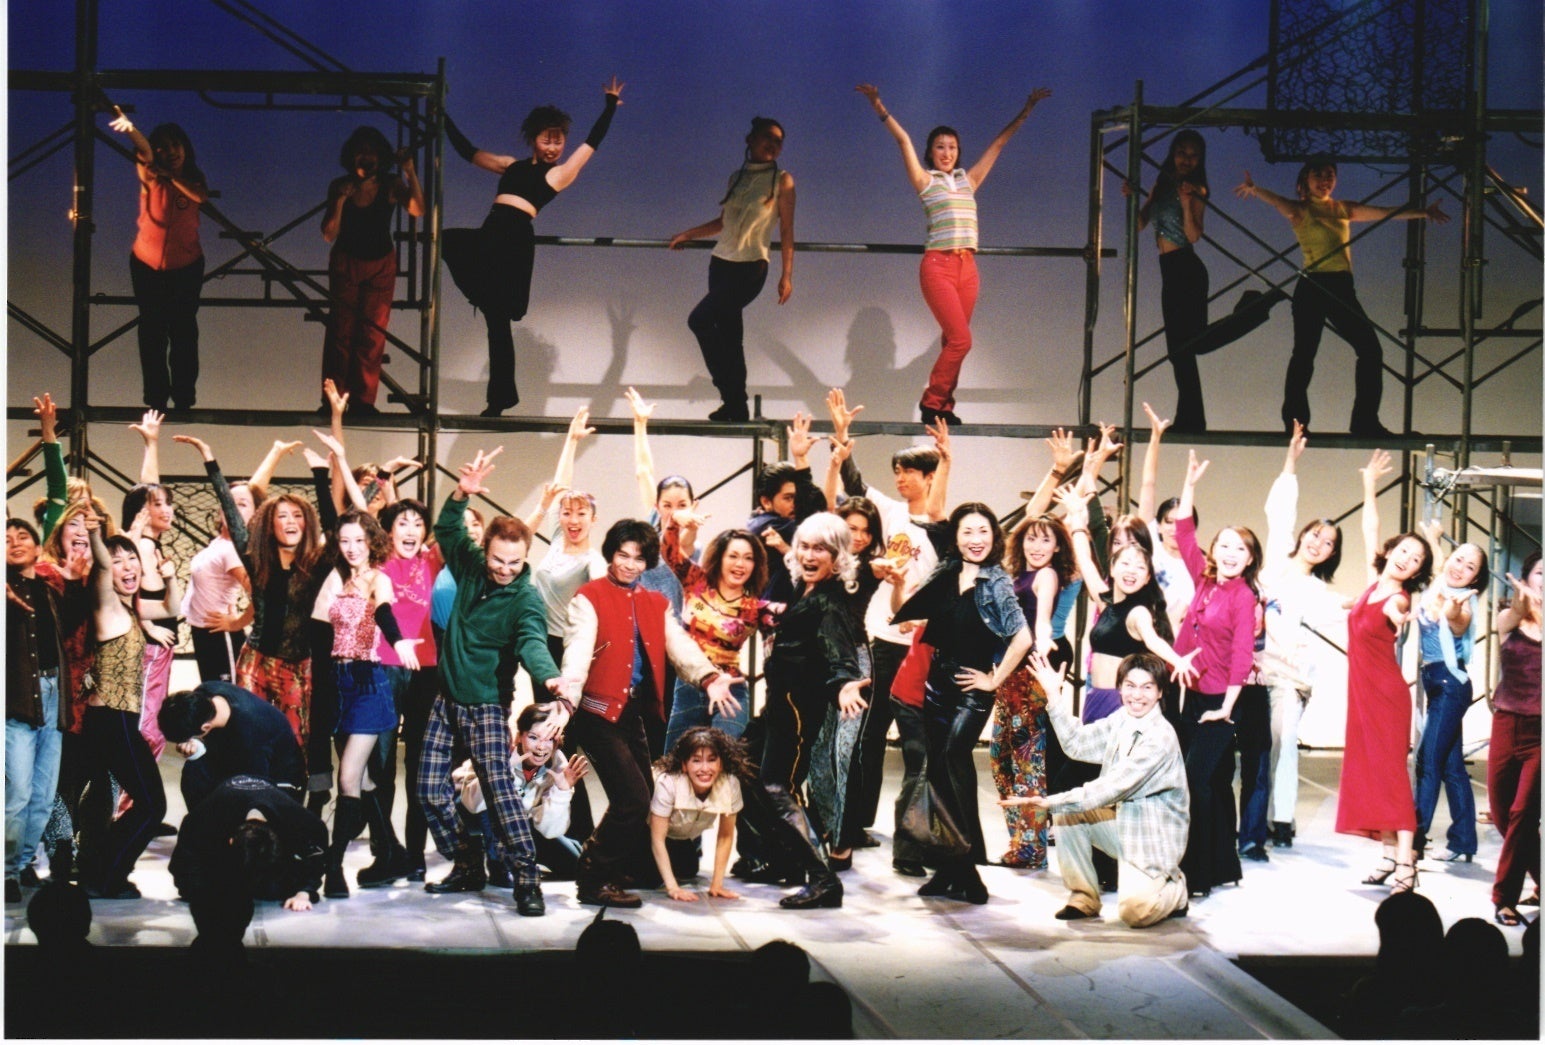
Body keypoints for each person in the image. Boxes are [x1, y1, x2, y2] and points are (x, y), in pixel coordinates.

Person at [549, 518, 736, 909]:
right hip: (596, 712)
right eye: (623, 555)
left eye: (638, 558)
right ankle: (592, 877)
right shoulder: (589, 597)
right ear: (611, 554)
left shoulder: (655, 603)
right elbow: (578, 651)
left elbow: (679, 645)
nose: (629, 565)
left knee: (644, 795)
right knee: (632, 798)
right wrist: (567, 698)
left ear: (647, 562)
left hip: (632, 713)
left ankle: (614, 869)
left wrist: (708, 677)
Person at [417, 447, 567, 917]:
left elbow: (532, 642)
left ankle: (527, 878)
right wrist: (461, 494)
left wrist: (550, 677)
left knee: (501, 794)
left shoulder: (524, 600)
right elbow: (446, 529)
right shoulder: (468, 564)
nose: (505, 569)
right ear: (486, 552)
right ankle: (467, 863)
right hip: (446, 699)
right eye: (499, 560)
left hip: (485, 705)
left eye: (515, 562)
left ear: (525, 557)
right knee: (428, 789)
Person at [854, 83, 1051, 425]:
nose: (947, 153)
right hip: (938, 266)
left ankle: (944, 407)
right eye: (940, 147)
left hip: (968, 268)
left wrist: (1027, 109)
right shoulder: (925, 181)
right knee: (962, 340)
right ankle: (932, 402)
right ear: (930, 152)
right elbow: (903, 140)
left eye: (952, 147)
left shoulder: (967, 181)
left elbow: (998, 144)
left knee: (952, 341)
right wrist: (878, 105)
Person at [440, 78, 624, 416]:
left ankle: (499, 400)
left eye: (559, 141)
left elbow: (592, 142)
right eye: (546, 140)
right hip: (490, 233)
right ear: (533, 139)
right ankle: (483, 302)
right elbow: (468, 151)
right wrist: (442, 115)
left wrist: (610, 106)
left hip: (512, 241)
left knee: (497, 324)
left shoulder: (559, 174)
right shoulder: (511, 165)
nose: (553, 148)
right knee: (447, 240)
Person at [1235, 159, 1449, 436]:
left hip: (1341, 286)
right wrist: (1255, 190)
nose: (1325, 180)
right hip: (1313, 286)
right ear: (1306, 178)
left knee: (1370, 350)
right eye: (1318, 174)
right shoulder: (1301, 210)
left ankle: (1364, 421)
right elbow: (1278, 202)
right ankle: (1295, 423)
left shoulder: (1342, 209)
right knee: (1304, 354)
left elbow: (1383, 212)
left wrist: (1423, 212)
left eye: (1330, 175)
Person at [828, 388, 947, 876]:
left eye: (909, 472)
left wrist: (947, 457)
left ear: (929, 477)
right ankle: (856, 823)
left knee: (919, 744)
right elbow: (853, 485)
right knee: (869, 733)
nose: (900, 478)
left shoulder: (940, 524)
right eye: (897, 471)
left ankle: (915, 839)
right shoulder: (890, 513)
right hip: (882, 637)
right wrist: (842, 437)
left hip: (920, 645)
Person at [894, 503, 1033, 904]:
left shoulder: (997, 582)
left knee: (954, 759)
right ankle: (949, 868)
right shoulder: (946, 572)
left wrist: (993, 680)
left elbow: (1022, 638)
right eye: (968, 532)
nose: (976, 539)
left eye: (983, 531)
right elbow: (912, 614)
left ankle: (969, 868)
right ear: (955, 537)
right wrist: (903, 595)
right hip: (936, 684)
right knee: (938, 773)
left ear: (994, 536)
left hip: (972, 689)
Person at [1006, 651, 1190, 927]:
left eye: (1147, 687)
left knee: (1135, 913)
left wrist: (1048, 801)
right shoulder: (1122, 718)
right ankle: (1084, 897)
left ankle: (1176, 889)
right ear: (1120, 688)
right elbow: (1077, 743)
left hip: (1151, 841)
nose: (1137, 695)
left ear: (1160, 692)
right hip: (1123, 825)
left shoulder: (1160, 738)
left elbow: (1110, 789)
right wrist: (1053, 695)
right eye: (1130, 686)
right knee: (1068, 814)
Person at [1123, 133, 1285, 433]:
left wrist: (1187, 204)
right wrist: (1132, 198)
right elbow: (1140, 224)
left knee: (1188, 347)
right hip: (1169, 270)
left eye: (1193, 155)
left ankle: (1255, 309)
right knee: (1181, 351)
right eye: (1181, 152)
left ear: (1200, 160)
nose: (1186, 159)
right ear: (1172, 153)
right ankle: (1192, 418)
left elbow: (1194, 235)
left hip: (1186, 269)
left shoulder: (1197, 189)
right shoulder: (1161, 184)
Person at [749, 512, 871, 908]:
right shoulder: (805, 590)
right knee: (745, 766)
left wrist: (845, 683)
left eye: (821, 549)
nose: (809, 555)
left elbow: (840, 653)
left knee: (776, 785)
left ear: (837, 558)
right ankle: (783, 859)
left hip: (798, 711)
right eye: (804, 546)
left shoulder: (830, 603)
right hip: (779, 706)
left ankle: (822, 879)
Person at [311, 510, 421, 897]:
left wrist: (399, 641)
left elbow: (385, 611)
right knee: (365, 779)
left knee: (348, 779)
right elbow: (319, 631)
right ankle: (392, 852)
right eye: (345, 541)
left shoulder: (378, 578)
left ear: (371, 542)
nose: (352, 548)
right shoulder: (335, 578)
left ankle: (333, 867)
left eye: (359, 540)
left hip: (368, 685)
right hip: (337, 686)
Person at [1170, 450, 1262, 900]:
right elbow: (1184, 533)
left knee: (1197, 783)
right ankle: (1224, 865)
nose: (1229, 553)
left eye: (1239, 548)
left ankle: (1198, 872)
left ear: (1250, 559)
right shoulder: (1204, 581)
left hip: (1219, 702)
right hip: (1187, 696)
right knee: (1215, 784)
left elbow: (1243, 654)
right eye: (1223, 545)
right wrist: (1189, 485)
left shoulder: (1244, 597)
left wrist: (1225, 709)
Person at [1340, 449, 1433, 893]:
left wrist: (1399, 617)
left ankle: (1407, 864)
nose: (1405, 559)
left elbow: (1397, 615)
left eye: (1415, 560)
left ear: (1416, 573)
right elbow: (1369, 527)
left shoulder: (1398, 598)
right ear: (1391, 551)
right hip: (1363, 695)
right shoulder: (1374, 583)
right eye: (1403, 551)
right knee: (1372, 777)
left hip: (1385, 697)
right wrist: (1368, 484)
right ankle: (1388, 856)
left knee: (1392, 779)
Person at [669, 116, 797, 422]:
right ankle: (735, 405)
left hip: (751, 266)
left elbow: (787, 229)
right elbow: (723, 222)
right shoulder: (736, 177)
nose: (772, 144)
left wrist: (787, 274)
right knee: (730, 338)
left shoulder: (782, 180)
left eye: (778, 141)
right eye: (767, 137)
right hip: (721, 263)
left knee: (699, 320)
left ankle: (728, 391)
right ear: (750, 140)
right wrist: (688, 234)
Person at [1256, 422, 1344, 849]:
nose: (1318, 543)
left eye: (1328, 543)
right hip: (1249, 669)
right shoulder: (1275, 558)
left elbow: (1346, 609)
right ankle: (1250, 819)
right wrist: (1290, 461)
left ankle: (1282, 818)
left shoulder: (1318, 591)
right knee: (1254, 747)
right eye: (1315, 535)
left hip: (1287, 677)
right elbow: (1280, 512)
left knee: (1284, 740)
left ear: (1331, 554)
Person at [79, 517, 170, 898]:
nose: (127, 566)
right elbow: (101, 565)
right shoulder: (105, 605)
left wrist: (166, 573)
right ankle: (106, 878)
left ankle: (96, 870)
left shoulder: (129, 611)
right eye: (118, 561)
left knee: (109, 802)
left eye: (132, 559)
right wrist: (95, 534)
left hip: (117, 721)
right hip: (110, 719)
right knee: (152, 805)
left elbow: (172, 605)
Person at [107, 107, 209, 412]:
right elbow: (143, 149)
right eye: (163, 147)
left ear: (185, 148)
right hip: (147, 264)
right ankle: (156, 397)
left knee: (183, 331)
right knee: (152, 331)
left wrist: (173, 177)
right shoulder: (150, 174)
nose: (171, 151)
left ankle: (184, 396)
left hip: (186, 266)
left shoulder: (193, 179)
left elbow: (200, 196)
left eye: (176, 144)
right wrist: (130, 129)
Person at [989, 513, 1075, 869]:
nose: (1037, 546)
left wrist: (1042, 640)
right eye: (1032, 538)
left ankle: (1030, 849)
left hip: (1029, 677)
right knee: (1000, 759)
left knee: (1028, 763)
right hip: (1007, 675)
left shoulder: (1046, 576)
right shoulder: (1013, 575)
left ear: (1056, 548)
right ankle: (1021, 841)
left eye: (1046, 540)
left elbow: (1042, 620)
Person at [320, 126, 425, 414]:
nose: (365, 157)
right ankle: (332, 400)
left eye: (371, 152)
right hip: (347, 262)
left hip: (380, 263)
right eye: (360, 151)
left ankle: (363, 401)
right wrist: (340, 201)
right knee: (340, 332)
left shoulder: (390, 184)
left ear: (380, 157)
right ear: (351, 156)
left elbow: (417, 209)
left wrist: (410, 172)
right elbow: (329, 233)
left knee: (372, 333)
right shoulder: (340, 185)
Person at [373, 498, 443, 884]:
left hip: (426, 671)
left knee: (419, 765)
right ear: (388, 530)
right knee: (381, 765)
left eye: (418, 523)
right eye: (402, 523)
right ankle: (385, 851)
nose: (411, 530)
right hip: (385, 667)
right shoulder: (378, 562)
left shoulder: (432, 560)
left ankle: (416, 855)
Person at [6, 519, 75, 902]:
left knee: (43, 795)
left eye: (22, 537)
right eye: (6, 539)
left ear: (37, 548)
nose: (14, 543)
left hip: (53, 697)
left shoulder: (49, 591)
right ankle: (6, 872)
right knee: (17, 793)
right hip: (17, 702)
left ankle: (24, 863)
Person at [1412, 522, 1489, 864]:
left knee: (1427, 760)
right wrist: (1433, 539)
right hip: (1437, 682)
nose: (1459, 568)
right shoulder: (1438, 582)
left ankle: (1414, 839)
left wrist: (1454, 608)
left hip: (1449, 685)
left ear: (1475, 579)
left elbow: (1457, 621)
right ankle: (1463, 841)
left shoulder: (1462, 603)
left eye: (1469, 567)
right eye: (1458, 559)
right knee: (1451, 766)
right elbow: (1442, 561)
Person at [659, 524, 772, 748]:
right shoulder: (697, 582)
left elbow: (794, 622)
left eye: (748, 558)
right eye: (733, 556)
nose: (740, 564)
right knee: (676, 760)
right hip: (689, 686)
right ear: (720, 558)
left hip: (731, 688)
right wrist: (676, 521)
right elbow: (669, 551)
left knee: (723, 756)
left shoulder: (756, 609)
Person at [451, 703, 590, 883]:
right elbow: (474, 805)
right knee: (493, 802)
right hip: (467, 813)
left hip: (521, 824)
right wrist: (501, 771)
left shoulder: (558, 765)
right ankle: (498, 864)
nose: (541, 747)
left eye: (549, 739)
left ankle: (516, 854)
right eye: (533, 737)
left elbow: (549, 831)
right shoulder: (498, 750)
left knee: (576, 866)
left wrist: (561, 791)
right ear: (519, 736)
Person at [169, 775, 325, 912]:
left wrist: (304, 892)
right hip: (222, 808)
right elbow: (182, 867)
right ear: (230, 841)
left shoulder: (299, 820)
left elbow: (318, 855)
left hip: (271, 804)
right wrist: (204, 893)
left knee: (271, 889)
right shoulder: (205, 818)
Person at [1488, 551, 1540, 928]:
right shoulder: (1512, 617)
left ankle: (1504, 898)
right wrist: (1524, 603)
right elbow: (1509, 617)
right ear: (1527, 578)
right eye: (1541, 573)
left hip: (1541, 731)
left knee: (1524, 813)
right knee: (1501, 811)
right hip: (1506, 722)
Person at [158, 682, 306, 807]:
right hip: (237, 757)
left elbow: (255, 789)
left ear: (205, 728)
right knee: (193, 772)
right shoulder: (205, 692)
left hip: (279, 780)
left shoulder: (251, 731)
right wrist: (197, 745)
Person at [649, 726, 750, 902]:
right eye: (696, 761)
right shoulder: (668, 782)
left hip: (679, 837)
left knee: (688, 869)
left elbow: (725, 836)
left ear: (721, 764)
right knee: (648, 877)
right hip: (645, 835)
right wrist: (673, 888)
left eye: (712, 760)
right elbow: (657, 838)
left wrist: (717, 885)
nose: (705, 768)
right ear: (684, 765)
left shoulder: (730, 783)